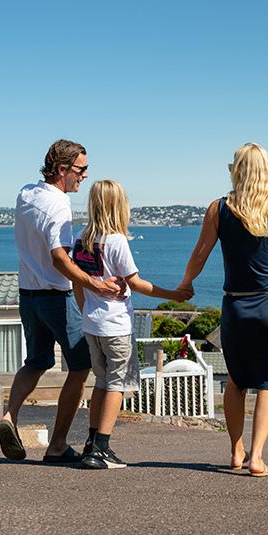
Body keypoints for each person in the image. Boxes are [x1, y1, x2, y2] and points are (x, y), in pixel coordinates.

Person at [177, 143, 268, 477]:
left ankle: (236, 451)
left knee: (236, 381)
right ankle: (257, 457)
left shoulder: (218, 209)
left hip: (235, 304)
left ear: (236, 171)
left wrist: (186, 284)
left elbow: (199, 255)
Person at [0, 139, 122, 462]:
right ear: (62, 170)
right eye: (81, 170)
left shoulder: (25, 194)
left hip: (28, 296)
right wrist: (94, 282)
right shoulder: (60, 204)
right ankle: (57, 445)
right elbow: (59, 258)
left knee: (36, 361)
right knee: (80, 367)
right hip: (57, 297)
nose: (84, 176)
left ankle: (10, 416)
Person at [72, 179, 190, 469]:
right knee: (118, 384)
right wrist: (174, 295)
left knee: (100, 382)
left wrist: (86, 309)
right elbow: (136, 283)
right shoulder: (116, 240)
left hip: (92, 324)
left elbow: (77, 281)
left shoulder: (81, 239)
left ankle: (90, 443)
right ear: (119, 206)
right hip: (115, 326)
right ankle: (102, 447)